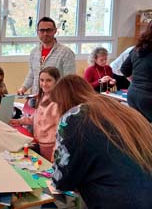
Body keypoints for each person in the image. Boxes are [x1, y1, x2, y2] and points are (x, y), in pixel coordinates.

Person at [50, 75, 152, 209]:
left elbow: (61, 181)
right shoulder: (116, 108)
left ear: (62, 100)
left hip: (116, 200)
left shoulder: (74, 116)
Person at [10, 67, 60, 161]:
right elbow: (36, 117)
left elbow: (61, 128)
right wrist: (20, 121)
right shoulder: (43, 97)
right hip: (41, 142)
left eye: (48, 80)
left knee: (49, 170)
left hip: (51, 144)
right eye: (42, 80)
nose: (44, 84)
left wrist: (56, 149)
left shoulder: (57, 102)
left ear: (56, 81)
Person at [17, 17, 75, 95]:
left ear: (55, 31)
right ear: (37, 32)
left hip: (57, 97)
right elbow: (32, 74)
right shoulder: (34, 52)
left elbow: (69, 79)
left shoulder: (66, 52)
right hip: (36, 97)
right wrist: (23, 88)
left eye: (48, 30)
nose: (45, 33)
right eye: (42, 30)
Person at [121, 21, 152, 122]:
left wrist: (136, 83)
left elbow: (124, 69)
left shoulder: (137, 48)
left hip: (133, 94)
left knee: (139, 128)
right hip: (148, 98)